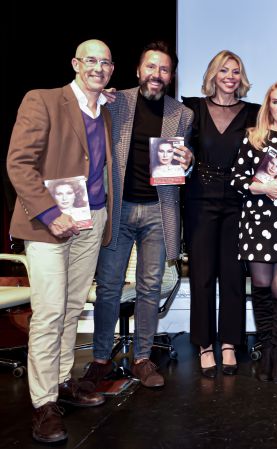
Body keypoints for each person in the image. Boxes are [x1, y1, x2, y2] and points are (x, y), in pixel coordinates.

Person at [6, 39, 115, 444]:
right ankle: (43, 403)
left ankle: (64, 381)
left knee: (71, 308)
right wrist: (52, 215)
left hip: (91, 220)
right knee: (50, 312)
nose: (98, 68)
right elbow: (19, 163)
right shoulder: (43, 100)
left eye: (105, 63)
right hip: (49, 225)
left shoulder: (105, 110)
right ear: (75, 63)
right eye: (91, 60)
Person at [82, 41, 194, 389]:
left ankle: (142, 359)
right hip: (118, 209)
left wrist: (187, 163)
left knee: (149, 288)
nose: (156, 75)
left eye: (163, 70)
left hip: (158, 213)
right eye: (151, 67)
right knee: (109, 288)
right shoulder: (115, 102)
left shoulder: (183, 115)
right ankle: (100, 359)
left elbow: (179, 168)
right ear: (138, 70)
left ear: (171, 76)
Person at [181, 50, 260, 378]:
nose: (230, 76)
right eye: (224, 70)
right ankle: (204, 344)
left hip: (238, 203)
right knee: (201, 276)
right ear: (213, 74)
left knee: (232, 276)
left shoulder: (255, 113)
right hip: (199, 201)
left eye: (236, 71)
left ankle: (229, 342)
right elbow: (174, 142)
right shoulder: (191, 109)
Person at [231, 80, 277, 384]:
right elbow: (237, 180)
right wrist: (263, 187)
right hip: (257, 220)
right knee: (262, 287)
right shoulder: (254, 139)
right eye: (276, 101)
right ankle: (265, 348)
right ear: (268, 106)